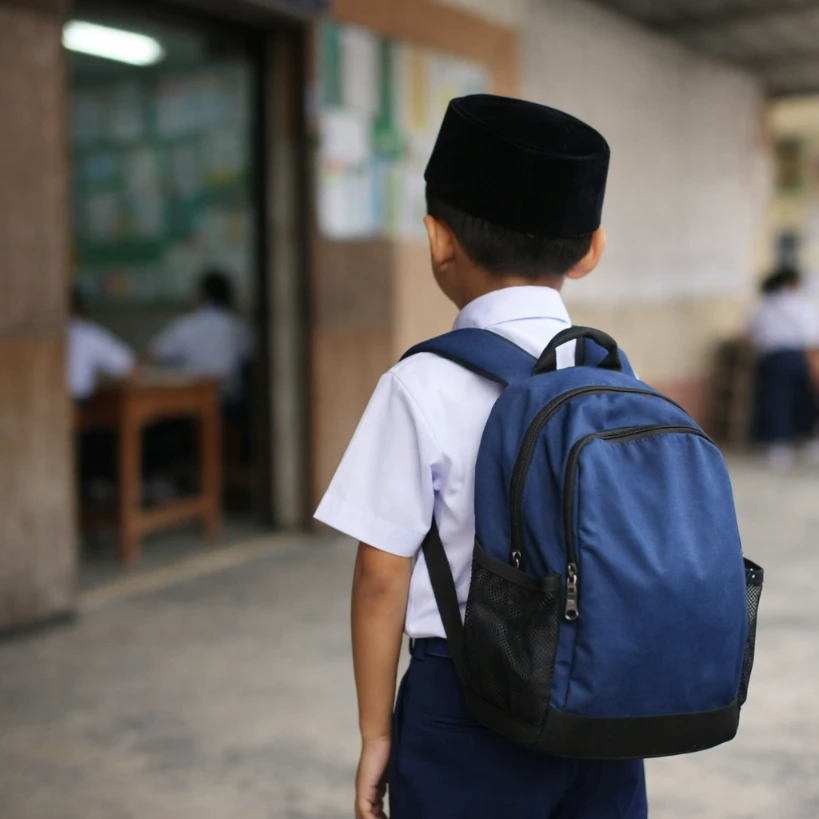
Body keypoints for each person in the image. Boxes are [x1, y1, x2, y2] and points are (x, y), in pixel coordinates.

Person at [315, 95, 646, 818]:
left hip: (462, 703)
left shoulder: (418, 383)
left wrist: (377, 733)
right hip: (604, 703)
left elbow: (380, 578)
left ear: (438, 238)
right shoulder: (615, 378)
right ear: (590, 249)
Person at [67, 286, 136, 498]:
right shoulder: (85, 332)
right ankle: (98, 487)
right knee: (109, 430)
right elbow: (128, 365)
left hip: (41, 415)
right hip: (74, 414)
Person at [748, 266, 819, 466]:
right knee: (803, 400)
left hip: (770, 359)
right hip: (797, 357)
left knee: (774, 400)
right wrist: (814, 365)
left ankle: (776, 444)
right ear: (792, 283)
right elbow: (811, 339)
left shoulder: (762, 306)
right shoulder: (801, 305)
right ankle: (804, 439)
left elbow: (751, 336)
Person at [149, 270, 253, 405]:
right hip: (230, 406)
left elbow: (151, 356)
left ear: (201, 296)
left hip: (191, 406)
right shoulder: (239, 327)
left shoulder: (185, 326)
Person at [67, 286, 135, 402]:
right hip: (73, 406)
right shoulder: (85, 332)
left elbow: (126, 367)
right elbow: (127, 366)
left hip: (61, 403)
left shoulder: (82, 331)